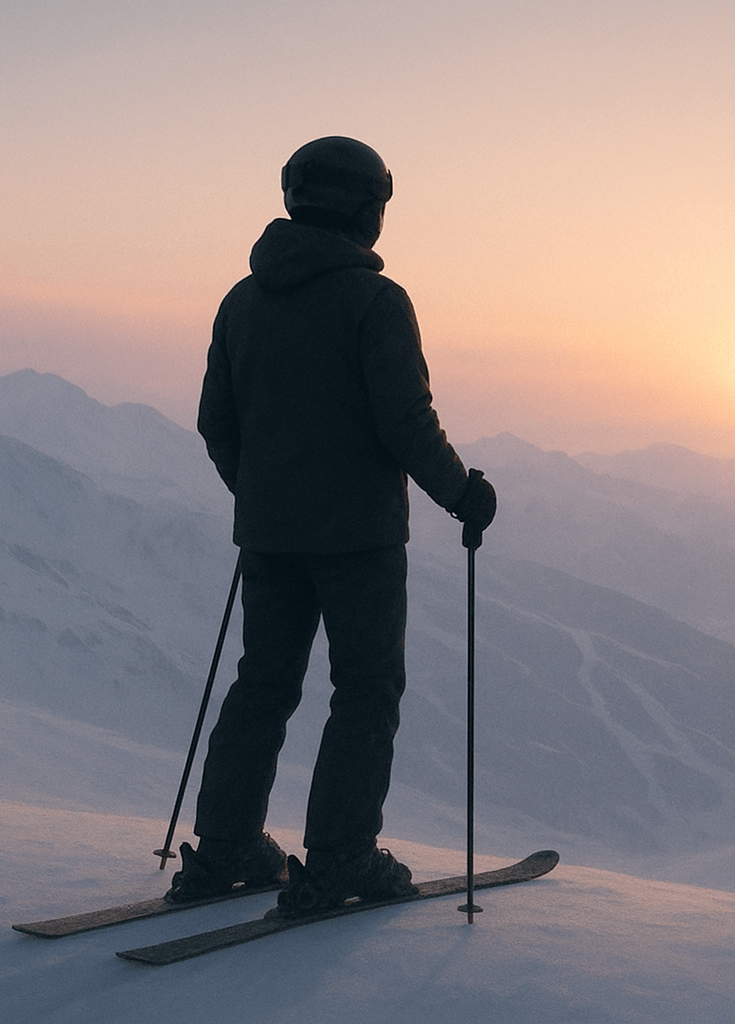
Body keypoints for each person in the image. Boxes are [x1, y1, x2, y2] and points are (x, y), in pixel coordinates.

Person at [166, 136, 497, 915]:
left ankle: (225, 851)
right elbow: (406, 424)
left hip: (269, 537)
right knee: (365, 691)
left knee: (263, 684)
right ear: (364, 208)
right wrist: (464, 495)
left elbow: (218, 422)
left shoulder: (241, 302)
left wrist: (261, 494)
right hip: (359, 541)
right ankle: (342, 858)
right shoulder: (376, 303)